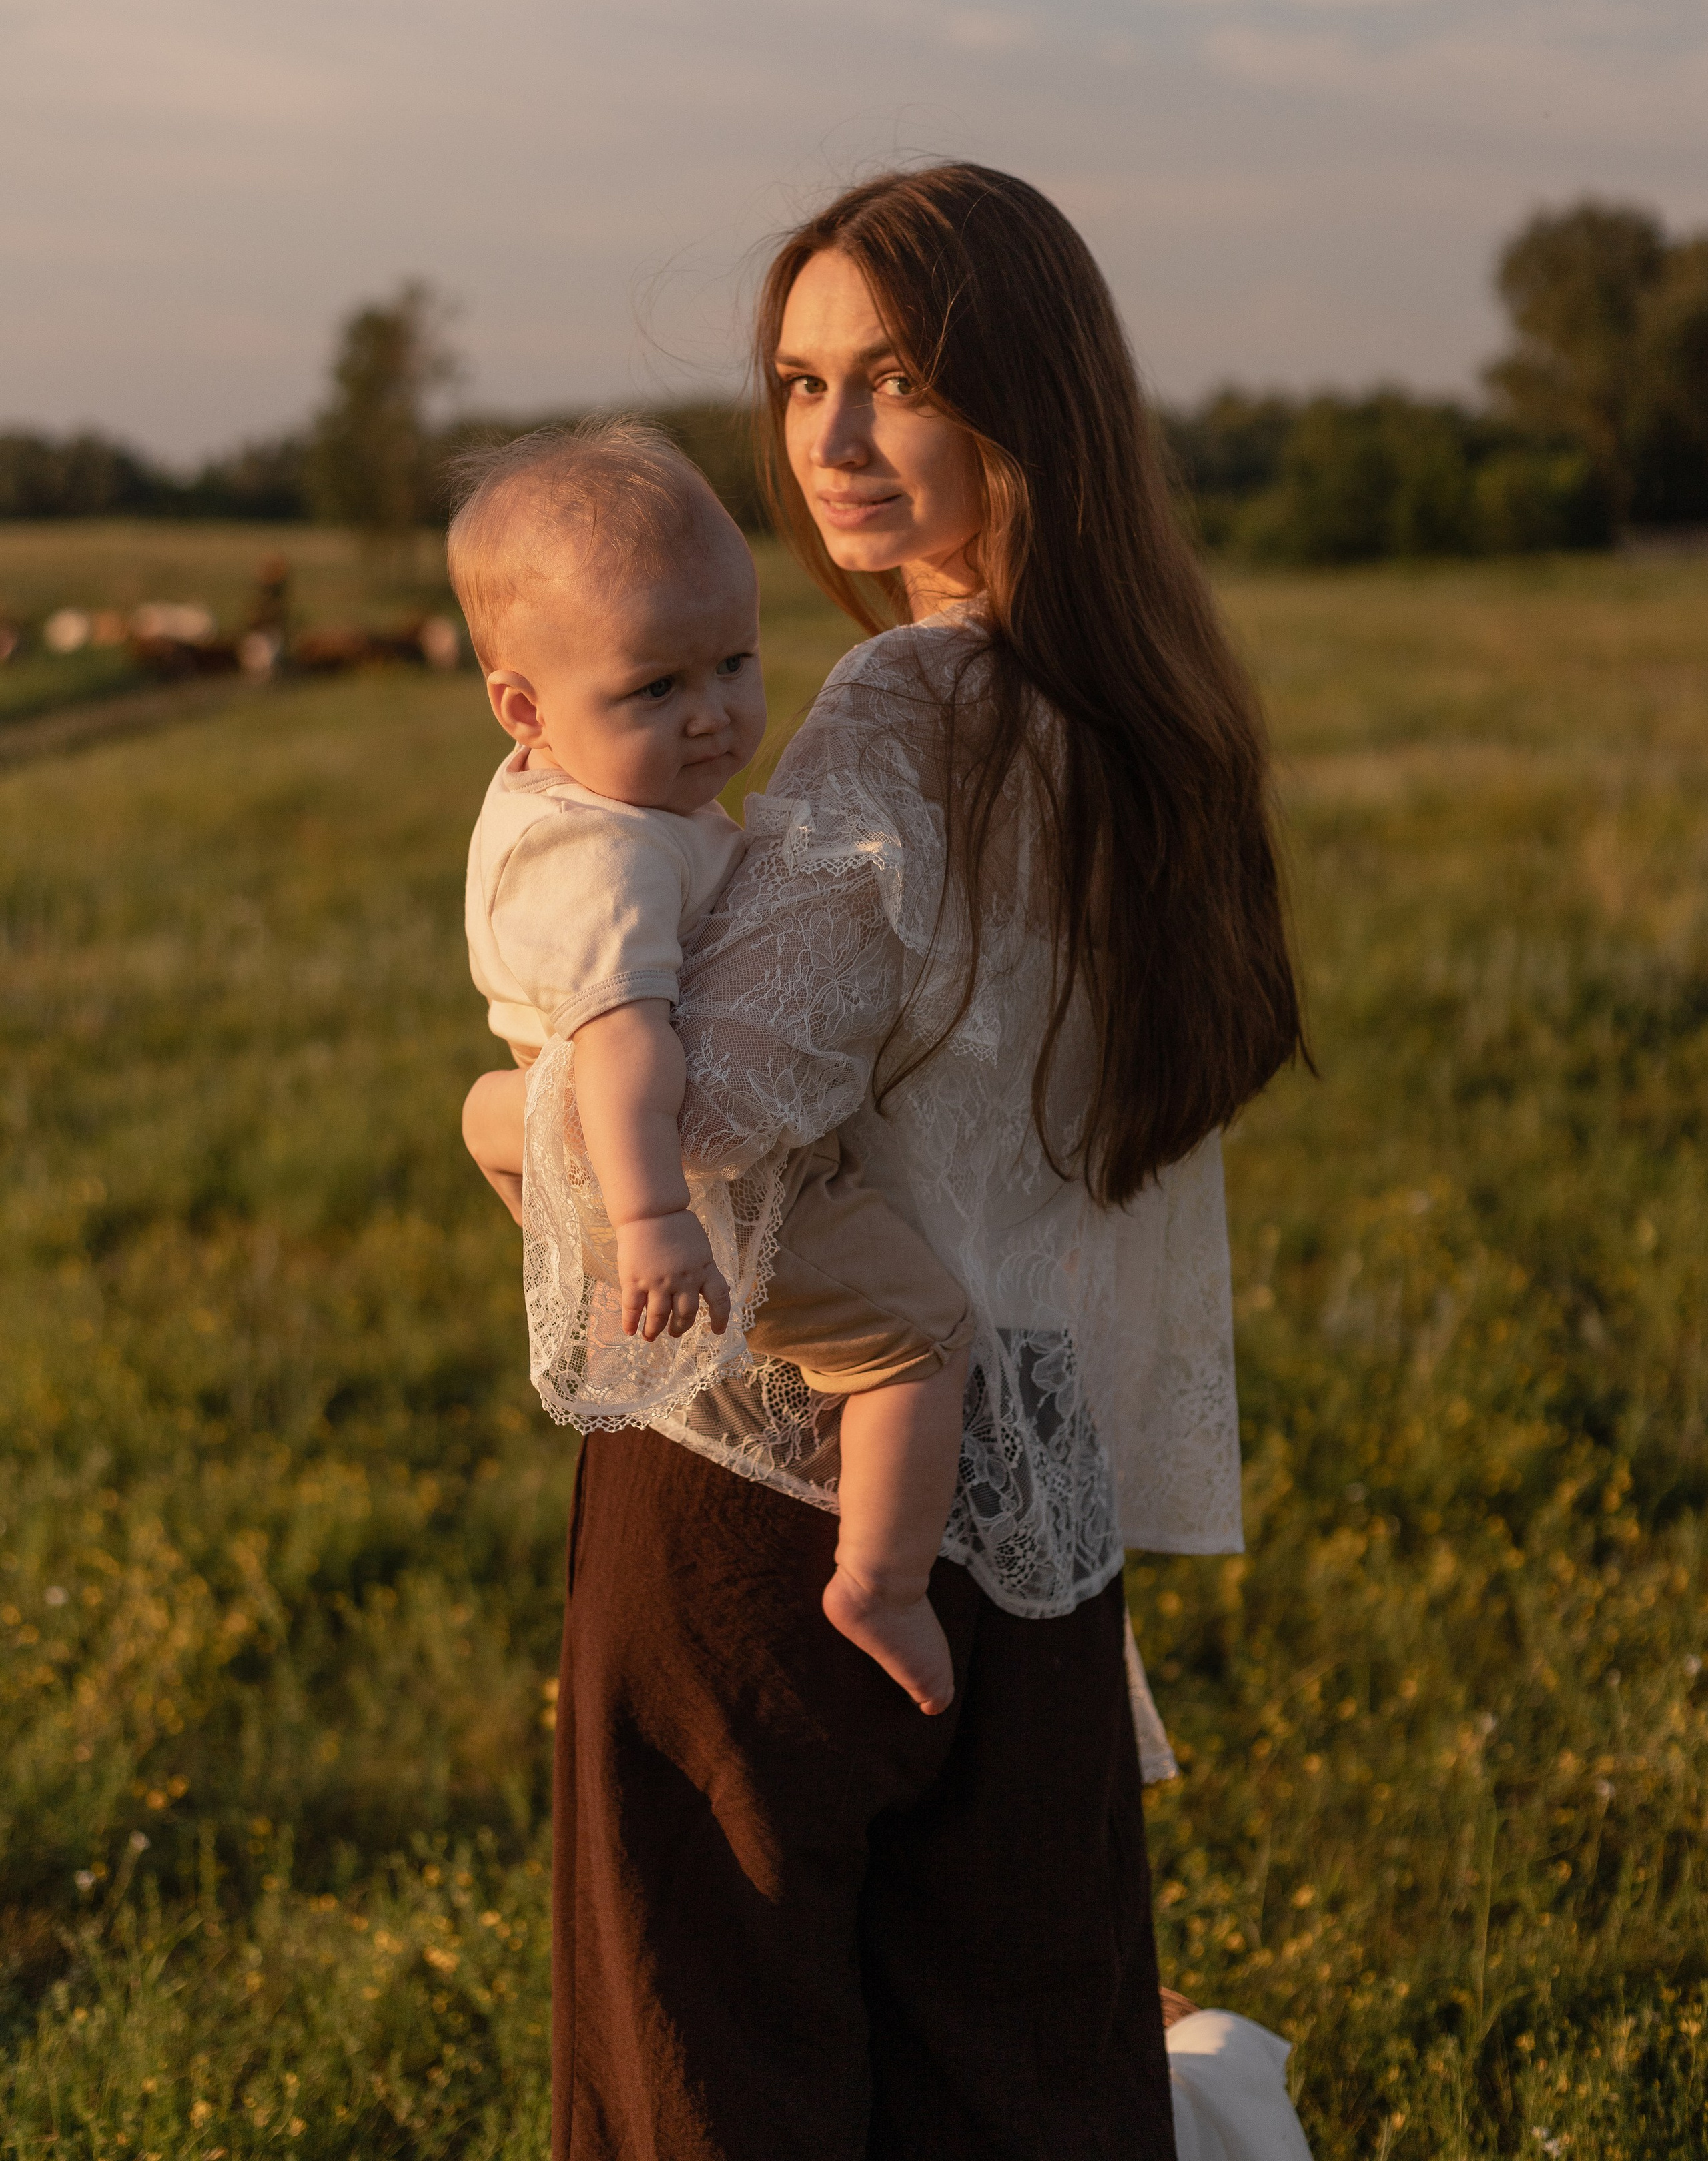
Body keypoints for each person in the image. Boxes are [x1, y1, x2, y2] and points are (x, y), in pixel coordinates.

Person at [463, 163, 1308, 2161]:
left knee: (714, 2076)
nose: (830, 439)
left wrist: (490, 1114)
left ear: (1030, 397)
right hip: (1030, 1477)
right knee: (1020, 2076)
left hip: (775, 1491)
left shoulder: (912, 701)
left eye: (898, 378)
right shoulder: (1154, 718)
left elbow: (711, 1122)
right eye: (799, 380)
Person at [454, 418, 973, 1712]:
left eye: (733, 663)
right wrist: (650, 1221)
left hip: (637, 1160)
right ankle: (883, 1579)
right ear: (524, 707)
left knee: (508, 1119)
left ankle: (546, 1197)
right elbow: (628, 1044)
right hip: (712, 1192)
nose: (710, 715)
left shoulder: (586, 800)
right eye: (653, 689)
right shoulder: (606, 860)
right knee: (920, 1336)